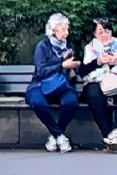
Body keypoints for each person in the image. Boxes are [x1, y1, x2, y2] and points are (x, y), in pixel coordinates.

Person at [24, 14, 82, 152]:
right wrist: (62, 65)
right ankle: (60, 136)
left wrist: (72, 71)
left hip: (62, 85)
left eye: (67, 29)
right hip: (40, 84)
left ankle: (54, 135)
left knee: (71, 102)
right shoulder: (42, 46)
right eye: (63, 29)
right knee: (38, 102)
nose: (66, 33)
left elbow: (70, 72)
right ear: (53, 30)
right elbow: (40, 71)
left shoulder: (70, 46)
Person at [77, 20, 117, 148]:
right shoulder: (89, 49)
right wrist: (98, 61)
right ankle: (108, 135)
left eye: (107, 31)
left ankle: (116, 132)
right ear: (94, 33)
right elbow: (82, 71)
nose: (104, 34)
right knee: (94, 94)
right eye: (101, 31)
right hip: (96, 81)